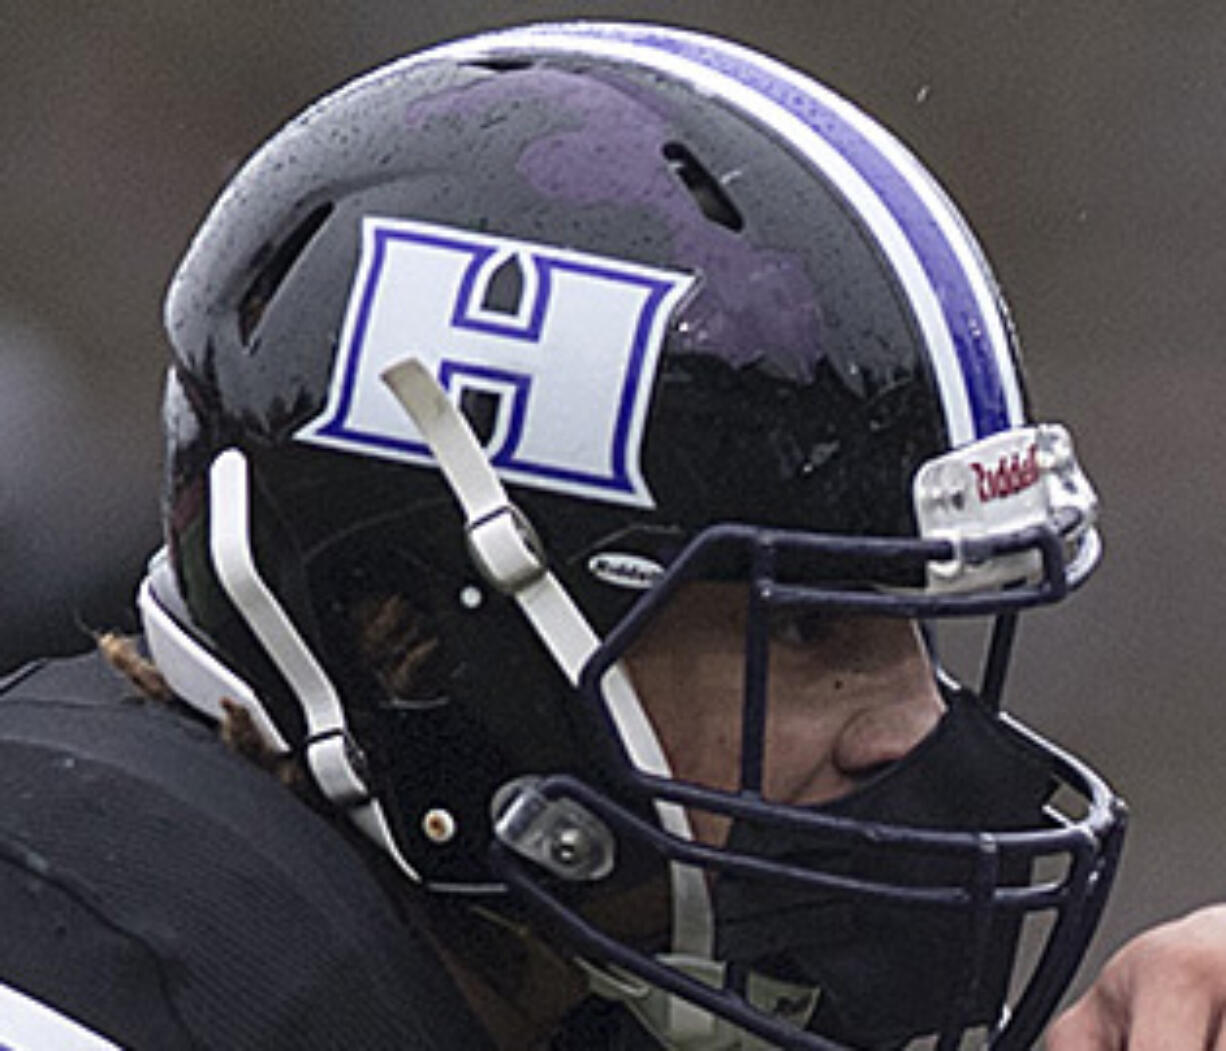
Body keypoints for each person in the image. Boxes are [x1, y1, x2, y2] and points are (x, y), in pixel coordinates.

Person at [0, 20, 1131, 1051]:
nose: (916, 732)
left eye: (914, 636)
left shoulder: (505, 973)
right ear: (418, 645)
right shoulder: (90, 978)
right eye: (806, 626)